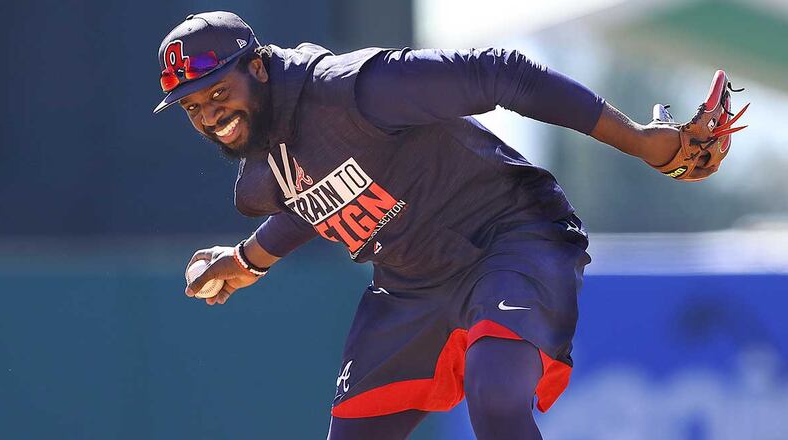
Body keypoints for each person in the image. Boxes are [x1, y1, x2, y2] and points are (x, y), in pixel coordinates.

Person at [154, 11, 744, 440]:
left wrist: (638, 141)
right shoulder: (263, 162)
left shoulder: (352, 89)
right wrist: (249, 260)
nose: (210, 115)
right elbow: (312, 197)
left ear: (258, 67)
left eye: (217, 92)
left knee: (497, 395)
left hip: (508, 237)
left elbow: (501, 72)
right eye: (193, 107)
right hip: (412, 283)